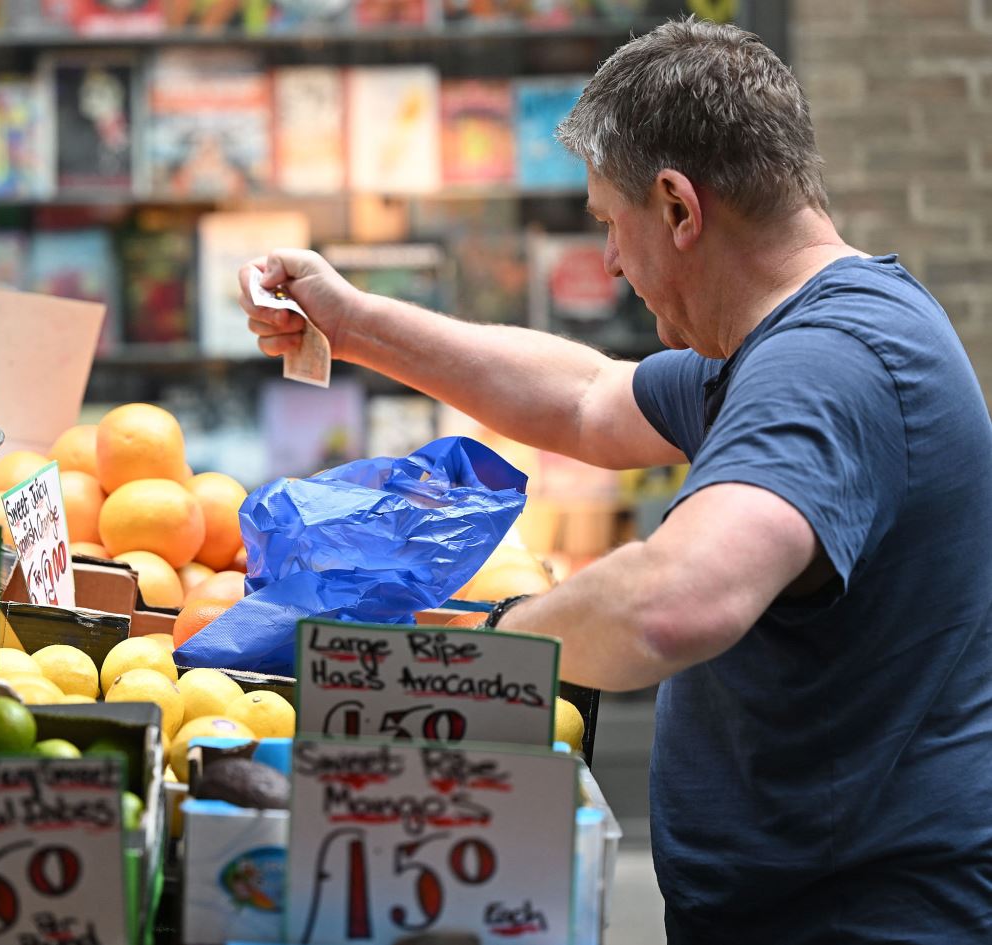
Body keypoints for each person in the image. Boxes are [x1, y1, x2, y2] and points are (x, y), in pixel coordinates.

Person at [238, 18, 992, 944]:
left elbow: (673, 602)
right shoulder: (798, 341)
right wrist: (350, 322)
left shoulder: (824, 367)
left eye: (609, 222)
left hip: (861, 919)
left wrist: (461, 656)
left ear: (678, 207)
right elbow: (587, 399)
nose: (608, 264)